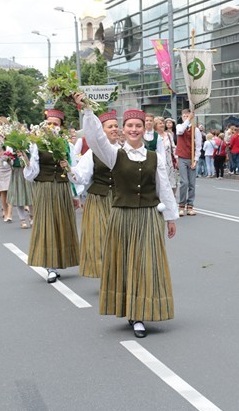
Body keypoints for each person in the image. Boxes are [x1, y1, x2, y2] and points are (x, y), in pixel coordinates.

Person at [76, 95, 178, 339]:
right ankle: (132, 312)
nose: (134, 129)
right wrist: (88, 110)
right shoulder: (113, 154)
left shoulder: (155, 157)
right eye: (130, 126)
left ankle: (141, 312)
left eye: (138, 126)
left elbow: (163, 187)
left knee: (146, 264)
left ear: (146, 129)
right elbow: (95, 138)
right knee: (126, 264)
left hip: (149, 217)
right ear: (123, 129)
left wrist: (171, 218)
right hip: (122, 217)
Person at [22, 109, 80, 284]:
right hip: (45, 187)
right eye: (49, 123)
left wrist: (75, 194)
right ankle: (50, 266)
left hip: (62, 188)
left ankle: (61, 260)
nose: (52, 126)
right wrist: (25, 159)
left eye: (55, 123)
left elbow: (73, 170)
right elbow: (31, 174)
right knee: (47, 224)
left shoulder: (67, 145)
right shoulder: (36, 144)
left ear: (61, 126)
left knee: (61, 223)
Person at [69, 111, 120, 278]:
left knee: (119, 238)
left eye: (116, 126)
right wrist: (69, 170)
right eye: (110, 126)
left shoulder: (125, 151)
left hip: (120, 198)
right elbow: (82, 176)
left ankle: (119, 272)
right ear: (101, 131)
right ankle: (104, 273)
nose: (114, 129)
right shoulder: (92, 153)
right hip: (99, 199)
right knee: (99, 238)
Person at [176, 109, 203, 216]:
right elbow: (180, 131)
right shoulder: (179, 126)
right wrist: (188, 119)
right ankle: (181, 205)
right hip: (182, 157)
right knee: (184, 182)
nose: (186, 117)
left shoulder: (195, 130)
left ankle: (190, 205)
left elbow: (198, 146)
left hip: (191, 158)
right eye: (184, 116)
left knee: (192, 184)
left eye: (188, 115)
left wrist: (195, 160)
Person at [155, 117, 178, 196]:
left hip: (169, 162)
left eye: (162, 123)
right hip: (157, 162)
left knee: (172, 182)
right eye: (160, 123)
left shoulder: (168, 135)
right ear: (155, 125)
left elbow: (173, 147)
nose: (162, 125)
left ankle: (171, 198)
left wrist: (176, 158)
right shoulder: (154, 135)